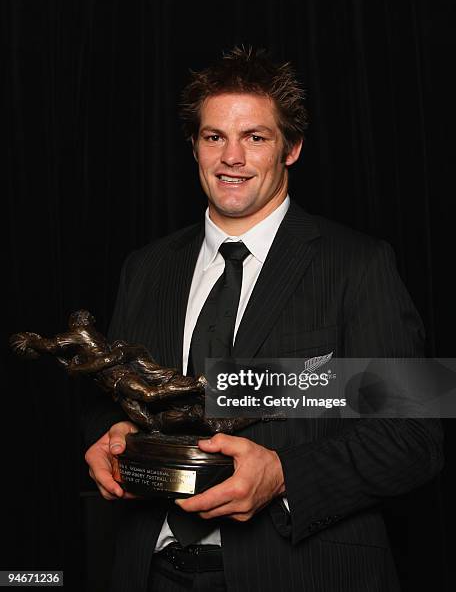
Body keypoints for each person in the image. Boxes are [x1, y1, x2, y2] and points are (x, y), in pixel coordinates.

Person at [83, 47, 443, 592]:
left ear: (291, 148)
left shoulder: (359, 264)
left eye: (255, 137)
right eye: (214, 137)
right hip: (149, 572)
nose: (232, 157)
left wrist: (283, 476)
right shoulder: (146, 267)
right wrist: (107, 439)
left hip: (302, 573)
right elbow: (111, 402)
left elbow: (415, 438)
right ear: (195, 146)